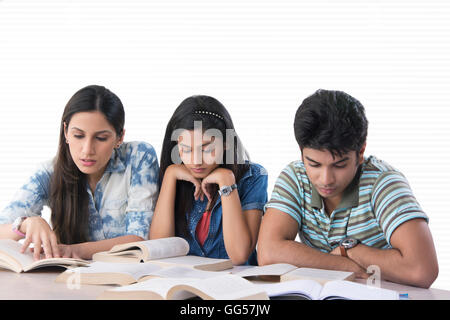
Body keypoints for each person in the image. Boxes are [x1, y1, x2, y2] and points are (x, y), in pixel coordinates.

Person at [257, 89, 439, 288]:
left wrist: (351, 250)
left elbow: (422, 270)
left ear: (360, 153)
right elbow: (268, 253)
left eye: (339, 165)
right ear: (301, 154)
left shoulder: (383, 182)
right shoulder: (295, 177)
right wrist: (345, 265)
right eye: (314, 164)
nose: (326, 179)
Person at [0, 85, 159, 260]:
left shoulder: (138, 157)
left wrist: (74, 251)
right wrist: (26, 224)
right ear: (66, 132)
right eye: (78, 135)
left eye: (101, 138)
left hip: (130, 275)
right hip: (71, 280)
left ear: (119, 137)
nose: (87, 150)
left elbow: (140, 238)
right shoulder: (49, 173)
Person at [149, 95, 267, 265]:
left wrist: (226, 180)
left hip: (233, 284)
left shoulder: (253, 176)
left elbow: (239, 256)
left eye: (206, 149)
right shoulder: (174, 176)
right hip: (185, 282)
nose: (196, 161)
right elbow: (160, 249)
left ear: (226, 142)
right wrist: (170, 175)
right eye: (186, 150)